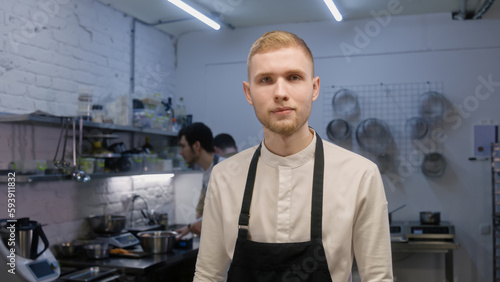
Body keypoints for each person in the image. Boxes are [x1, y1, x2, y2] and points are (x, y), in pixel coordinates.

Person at [193, 31, 393, 281]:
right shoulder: (223, 177)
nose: (280, 92)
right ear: (248, 93)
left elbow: (378, 277)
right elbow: (208, 274)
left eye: (294, 77)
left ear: (314, 88)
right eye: (265, 79)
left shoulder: (360, 175)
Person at [175, 122, 223, 239]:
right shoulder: (207, 172)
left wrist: (194, 225)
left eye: (183, 146)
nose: (181, 152)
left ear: (197, 146)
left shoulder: (224, 169)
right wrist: (190, 227)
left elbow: (226, 213)